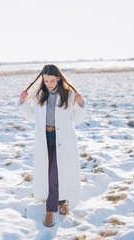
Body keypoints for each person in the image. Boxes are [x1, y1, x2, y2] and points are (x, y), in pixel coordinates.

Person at [19, 64, 87, 227]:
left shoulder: (69, 95)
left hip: (64, 139)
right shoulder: (37, 95)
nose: (49, 84)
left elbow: (78, 119)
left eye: (51, 80)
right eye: (46, 80)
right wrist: (23, 102)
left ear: (58, 78)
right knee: (50, 172)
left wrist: (81, 104)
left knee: (58, 172)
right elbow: (30, 117)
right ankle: (61, 202)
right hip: (45, 138)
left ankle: (51, 209)